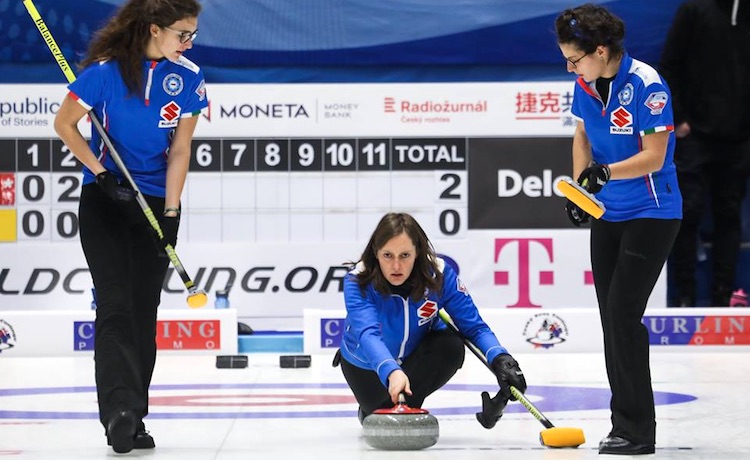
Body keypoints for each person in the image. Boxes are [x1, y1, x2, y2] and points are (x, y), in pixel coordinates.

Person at [53, 0, 207, 453]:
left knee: (144, 311)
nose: (188, 43)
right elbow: (65, 124)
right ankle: (118, 412)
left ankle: (136, 414)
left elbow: (180, 150)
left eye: (192, 35)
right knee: (115, 304)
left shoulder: (190, 78)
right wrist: (100, 172)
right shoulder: (104, 73)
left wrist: (172, 213)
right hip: (105, 200)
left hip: (154, 203)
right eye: (183, 34)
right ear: (154, 29)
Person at [555, 4, 682, 455]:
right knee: (612, 319)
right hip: (609, 214)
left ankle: (637, 431)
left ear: (601, 49)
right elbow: (583, 135)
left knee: (625, 315)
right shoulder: (585, 83)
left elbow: (655, 156)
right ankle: (622, 424)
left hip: (652, 211)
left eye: (575, 58)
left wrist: (605, 174)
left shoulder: (647, 85)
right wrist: (579, 192)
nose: (571, 67)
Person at [333, 212, 527, 426]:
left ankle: (402, 407)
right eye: (388, 255)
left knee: (450, 346)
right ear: (376, 253)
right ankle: (376, 410)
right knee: (381, 416)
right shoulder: (358, 280)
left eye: (405, 255)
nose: (396, 266)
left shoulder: (440, 275)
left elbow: (475, 328)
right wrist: (392, 371)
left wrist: (501, 359)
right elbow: (368, 335)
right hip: (366, 366)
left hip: (414, 359)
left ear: (418, 252)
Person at [659, 0, 750, 307]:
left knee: (729, 215)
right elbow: (670, 64)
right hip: (694, 135)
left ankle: (724, 296)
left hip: (739, 139)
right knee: (688, 214)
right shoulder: (694, 9)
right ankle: (685, 296)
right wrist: (680, 117)